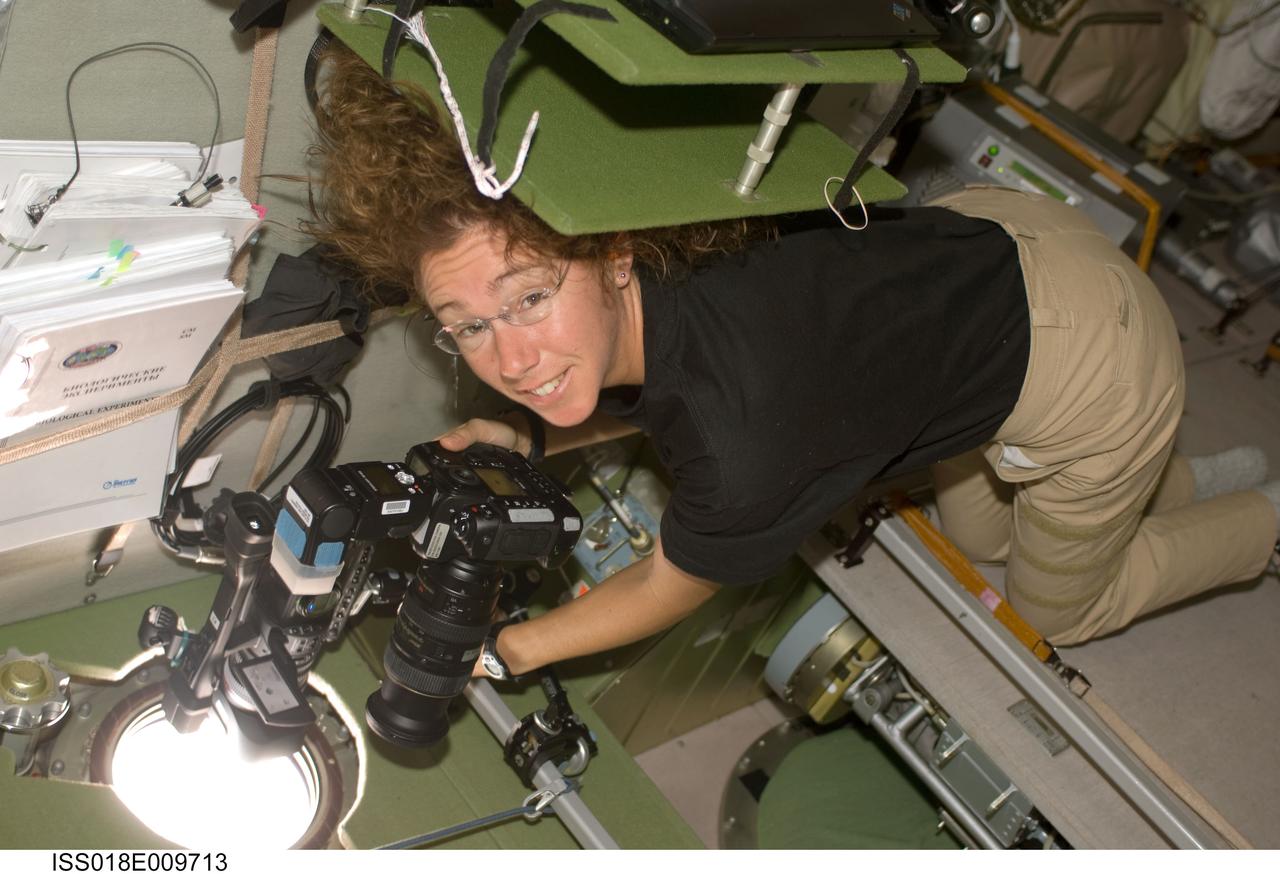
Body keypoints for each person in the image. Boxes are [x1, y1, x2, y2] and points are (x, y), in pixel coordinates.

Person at [305, 46, 1279, 678]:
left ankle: (1259, 522)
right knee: (984, 536)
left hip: (1095, 361)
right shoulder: (666, 240)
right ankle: (1166, 483)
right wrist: (524, 430)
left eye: (526, 298)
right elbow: (648, 386)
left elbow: (659, 584)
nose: (508, 355)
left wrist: (501, 649)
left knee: (1051, 600)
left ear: (604, 256)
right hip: (991, 245)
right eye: (465, 326)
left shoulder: (743, 455)